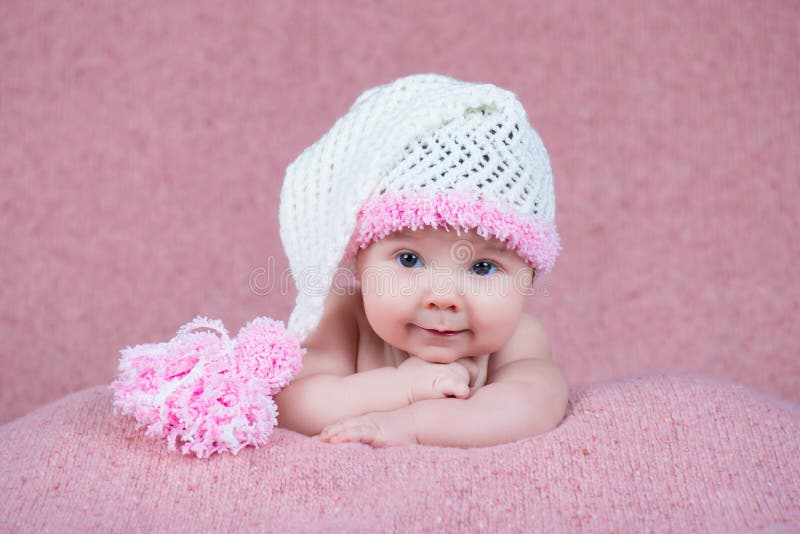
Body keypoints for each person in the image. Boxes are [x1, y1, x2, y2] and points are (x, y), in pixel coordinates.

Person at [273, 73, 568, 448]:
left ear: (528, 275)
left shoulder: (517, 338)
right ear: (359, 260)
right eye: (409, 259)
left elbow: (535, 405)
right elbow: (295, 402)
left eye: (483, 267)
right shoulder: (345, 317)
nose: (443, 297)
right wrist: (402, 387)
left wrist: (410, 424)